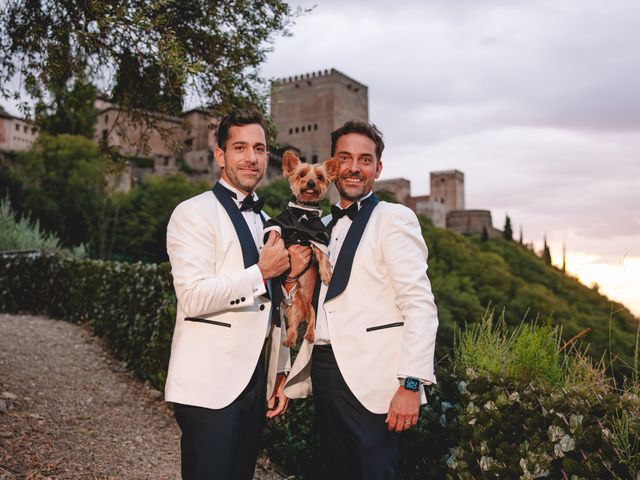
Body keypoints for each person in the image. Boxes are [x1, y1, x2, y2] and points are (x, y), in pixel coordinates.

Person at [284, 121, 439, 480]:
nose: (355, 167)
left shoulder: (395, 218)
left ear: (377, 168)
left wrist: (411, 384)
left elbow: (420, 305)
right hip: (322, 369)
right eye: (346, 158)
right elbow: (307, 297)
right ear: (334, 166)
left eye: (365, 159)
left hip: (374, 380)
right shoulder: (319, 223)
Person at [165, 108, 308, 480]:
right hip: (207, 385)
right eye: (240, 147)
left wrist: (280, 372)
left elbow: (271, 309)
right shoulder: (192, 213)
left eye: (259, 149)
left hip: (254, 385)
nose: (251, 158)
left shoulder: (267, 223)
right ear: (220, 155)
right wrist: (262, 272)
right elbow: (193, 297)